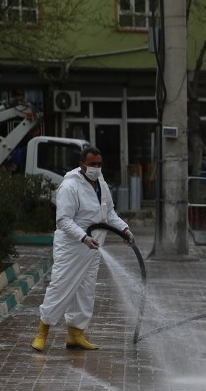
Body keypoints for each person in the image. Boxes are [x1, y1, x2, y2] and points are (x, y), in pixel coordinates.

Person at [31, 147, 135, 351]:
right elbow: (63, 220)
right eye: (92, 164)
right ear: (82, 164)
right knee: (60, 287)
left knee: (85, 291)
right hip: (72, 247)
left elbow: (109, 214)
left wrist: (125, 229)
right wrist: (83, 237)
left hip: (93, 247)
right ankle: (42, 331)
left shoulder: (102, 185)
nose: (96, 168)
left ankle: (76, 334)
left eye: (99, 164)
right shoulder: (70, 187)